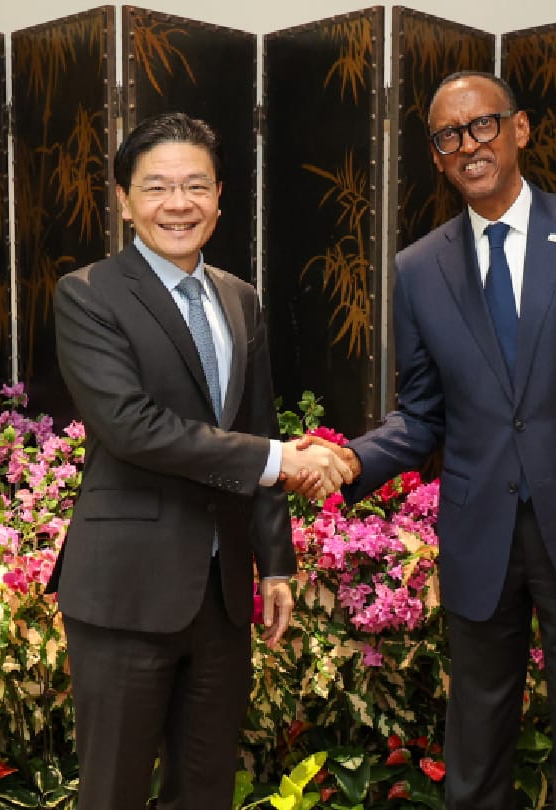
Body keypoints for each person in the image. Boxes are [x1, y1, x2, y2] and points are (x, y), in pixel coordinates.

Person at [305, 72, 556, 809]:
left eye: (482, 125)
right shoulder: (418, 271)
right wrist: (349, 459)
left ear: (520, 129)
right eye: (449, 137)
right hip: (481, 538)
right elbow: (420, 418)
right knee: (475, 757)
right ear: (438, 157)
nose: (468, 146)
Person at [47, 112, 354, 810]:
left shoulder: (239, 300)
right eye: (156, 187)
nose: (177, 204)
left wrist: (274, 563)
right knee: (114, 792)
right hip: (125, 592)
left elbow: (258, 426)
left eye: (194, 186)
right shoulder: (89, 294)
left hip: (220, 598)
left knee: (207, 789)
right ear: (123, 199)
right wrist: (281, 459)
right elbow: (131, 427)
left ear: (220, 197)